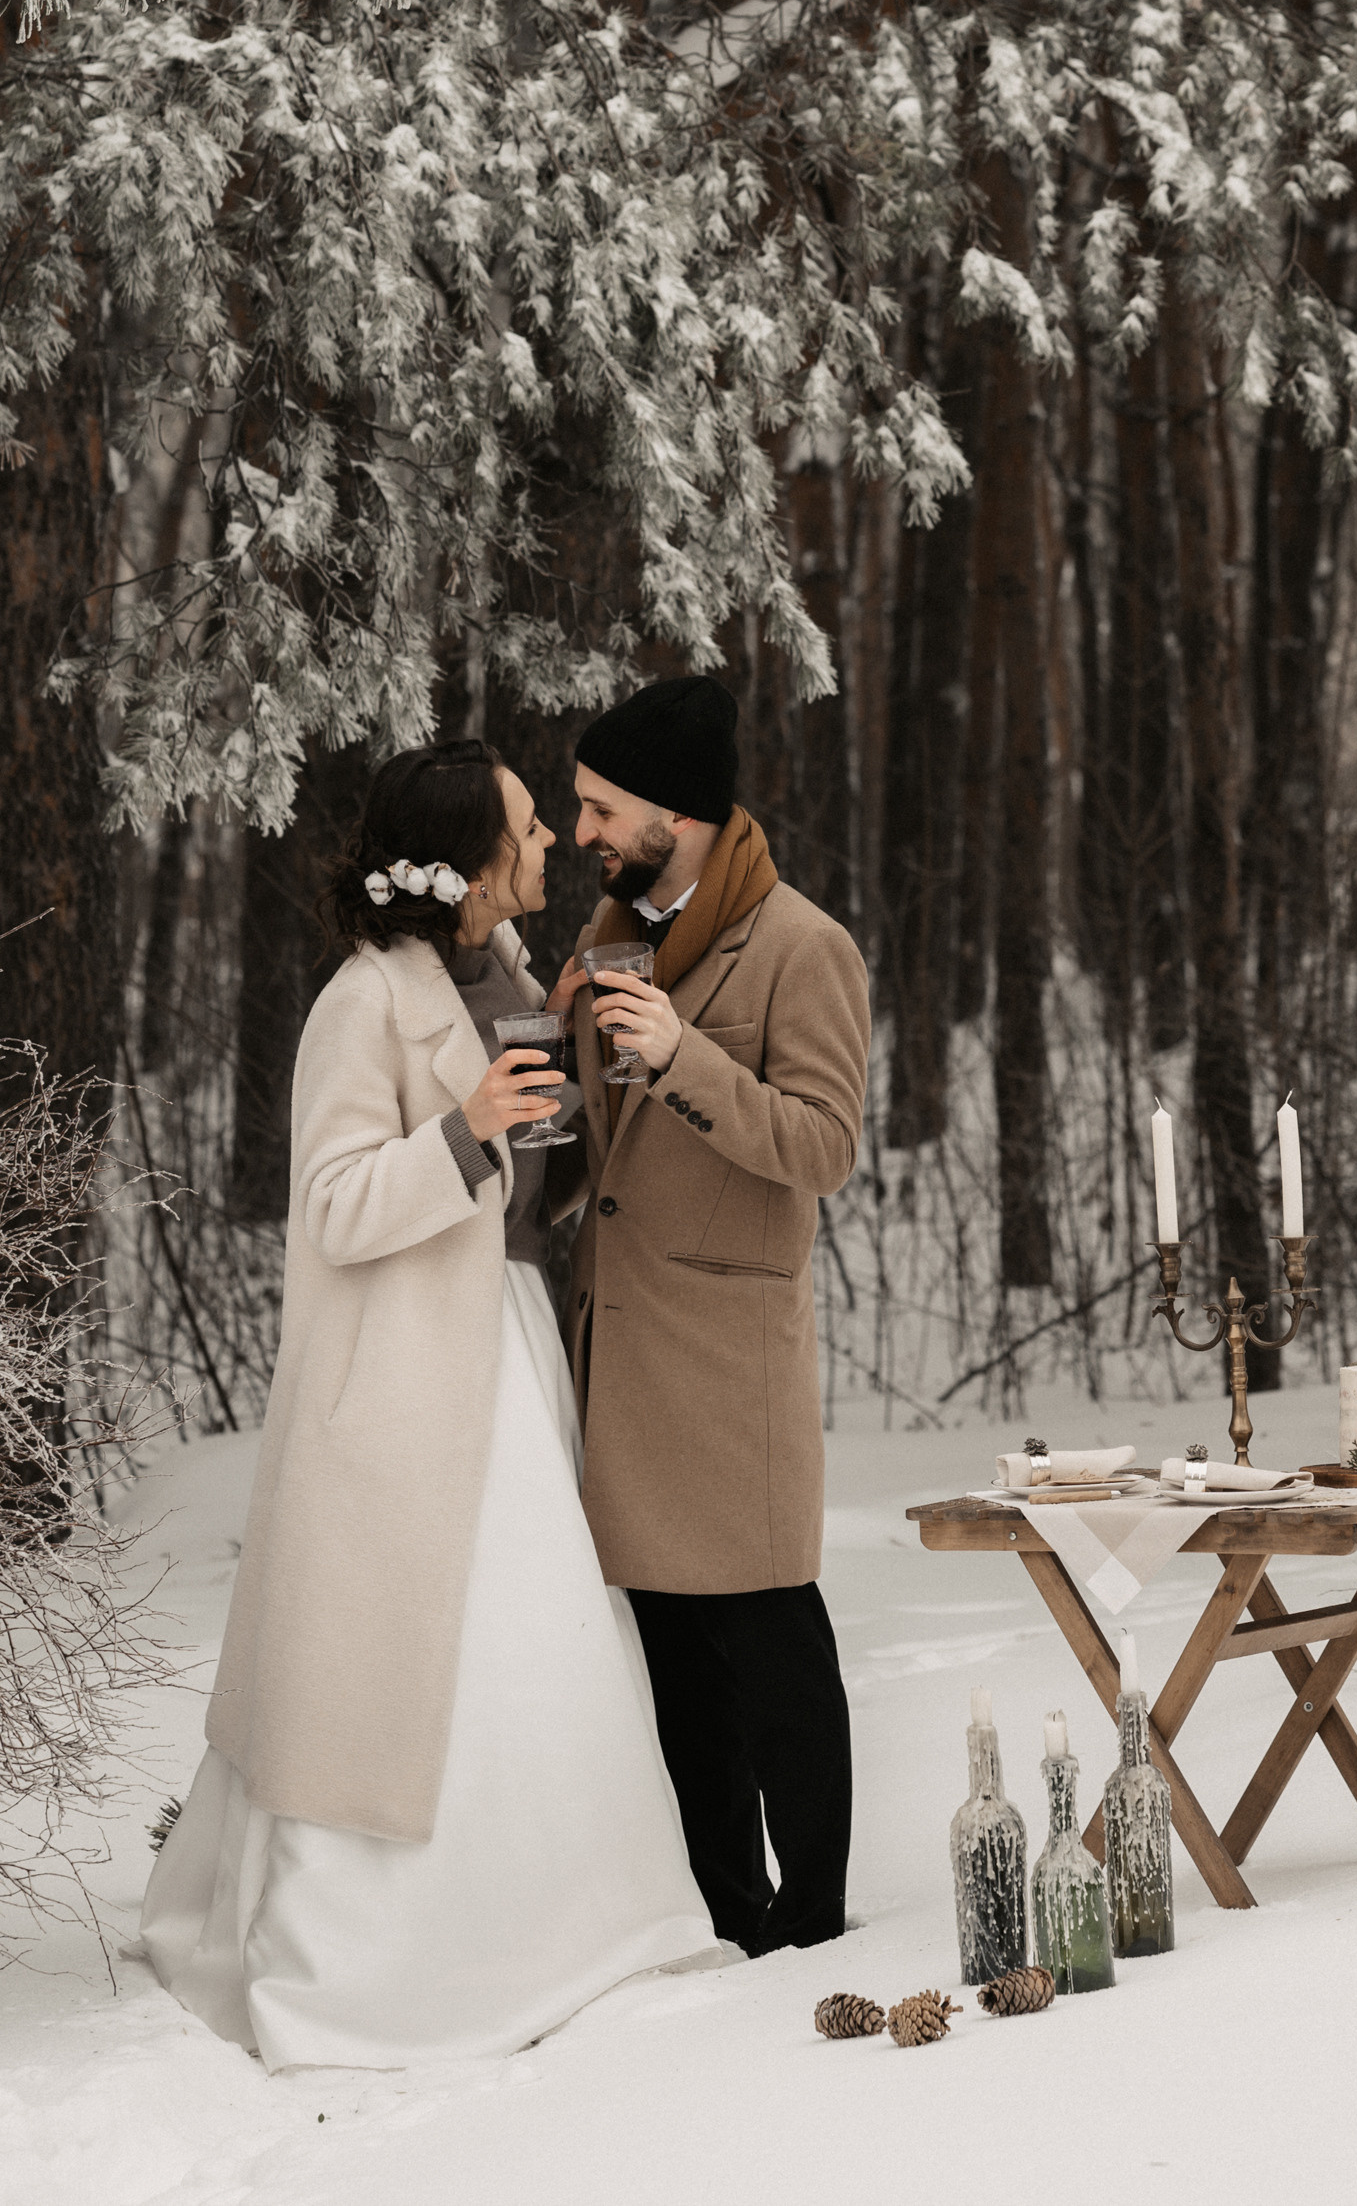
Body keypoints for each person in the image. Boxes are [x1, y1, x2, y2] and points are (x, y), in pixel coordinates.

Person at [142, 739, 717, 2067]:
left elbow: (522, 1187)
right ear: (462, 860)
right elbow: (337, 1206)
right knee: (409, 1657)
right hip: (402, 1382)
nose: (549, 845)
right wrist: (462, 1130)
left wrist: (564, 1088)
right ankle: (377, 1966)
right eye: (525, 826)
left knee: (544, 1635)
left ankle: (585, 1931)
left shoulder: (510, 975)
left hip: (507, 1351)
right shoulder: (360, 1002)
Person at [554, 674, 870, 1956]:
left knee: (769, 1633)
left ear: (670, 815)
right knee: (675, 1647)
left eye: (596, 805)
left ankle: (816, 1915)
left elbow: (825, 1145)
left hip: (731, 1352)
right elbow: (610, 1145)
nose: (580, 830)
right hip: (624, 1338)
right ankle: (730, 1915)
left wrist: (687, 1054)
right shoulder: (608, 931)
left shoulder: (804, 944)